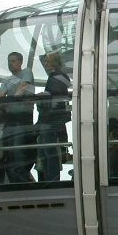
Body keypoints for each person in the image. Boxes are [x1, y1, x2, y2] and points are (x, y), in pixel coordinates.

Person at [0, 52, 35, 183]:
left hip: (23, 118)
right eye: (9, 61)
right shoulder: (7, 80)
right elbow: (1, 94)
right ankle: (13, 179)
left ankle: (21, 180)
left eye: (13, 61)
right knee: (8, 150)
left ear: (20, 62)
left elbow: (22, 88)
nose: (10, 63)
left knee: (18, 148)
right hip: (10, 118)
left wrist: (10, 100)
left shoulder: (27, 72)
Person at [36, 51, 71, 182]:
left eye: (48, 61)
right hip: (54, 118)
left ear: (55, 61)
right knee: (47, 150)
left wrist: (43, 95)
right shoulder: (59, 77)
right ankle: (49, 178)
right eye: (45, 61)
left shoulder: (55, 77)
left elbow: (54, 98)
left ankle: (51, 179)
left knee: (48, 151)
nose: (46, 64)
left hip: (51, 118)